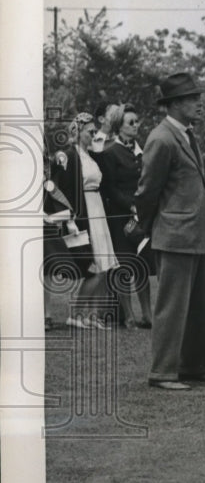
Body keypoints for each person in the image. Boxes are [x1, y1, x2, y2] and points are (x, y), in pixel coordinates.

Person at [134, 72, 205, 390]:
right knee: (172, 307)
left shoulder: (187, 134)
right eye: (191, 98)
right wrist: (153, 227)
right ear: (173, 104)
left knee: (200, 308)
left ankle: (194, 367)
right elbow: (147, 192)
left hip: (196, 233)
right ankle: (163, 371)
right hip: (174, 234)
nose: (199, 103)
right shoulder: (161, 138)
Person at [50, 112, 120, 329]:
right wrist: (71, 217)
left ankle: (93, 315)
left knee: (105, 265)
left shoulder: (91, 156)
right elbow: (63, 187)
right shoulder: (70, 155)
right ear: (78, 132)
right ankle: (77, 314)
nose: (92, 135)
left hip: (98, 209)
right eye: (89, 132)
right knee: (95, 265)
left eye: (93, 132)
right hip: (85, 212)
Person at [98, 103, 153, 328]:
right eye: (131, 122)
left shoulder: (143, 152)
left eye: (137, 121)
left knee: (142, 266)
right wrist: (130, 206)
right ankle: (129, 316)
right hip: (120, 218)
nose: (136, 125)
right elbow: (109, 188)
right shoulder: (111, 152)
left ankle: (148, 315)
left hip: (143, 217)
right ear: (120, 127)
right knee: (124, 267)